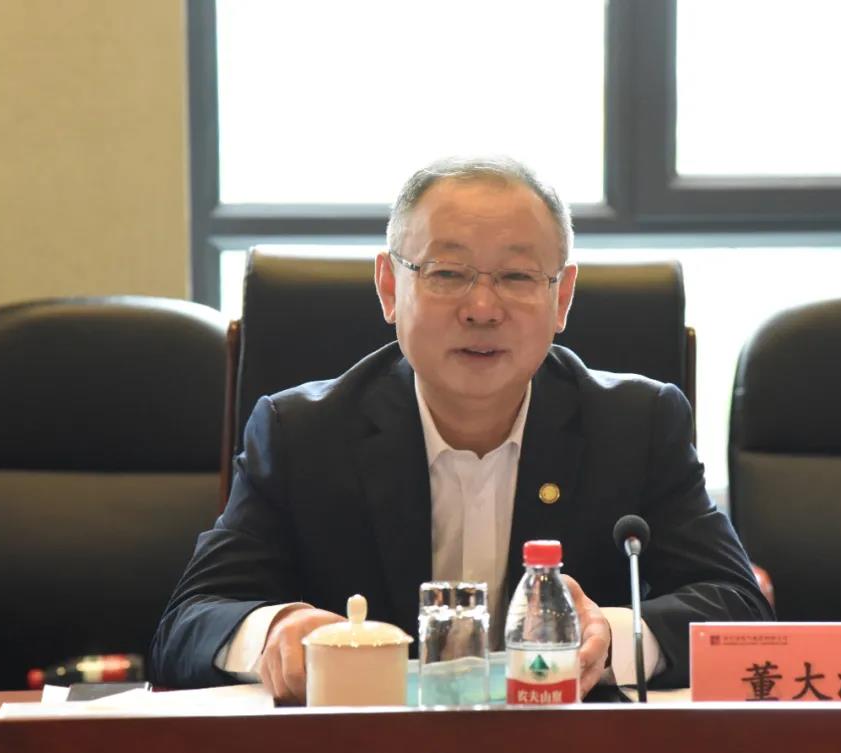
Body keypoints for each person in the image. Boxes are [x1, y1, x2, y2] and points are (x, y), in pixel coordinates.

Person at [150, 156, 773, 703]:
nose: (481, 308)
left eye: (517, 276)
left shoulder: (637, 424)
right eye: (447, 273)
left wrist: (609, 638)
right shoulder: (302, 433)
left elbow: (740, 609)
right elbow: (188, 623)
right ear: (389, 287)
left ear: (562, 298)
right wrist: (276, 633)